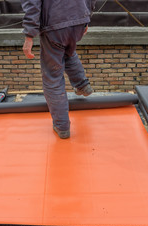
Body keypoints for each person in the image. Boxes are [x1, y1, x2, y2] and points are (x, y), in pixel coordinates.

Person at [21, 0, 97, 139]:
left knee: (52, 77)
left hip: (55, 24)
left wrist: (29, 35)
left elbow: (33, 4)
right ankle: (83, 85)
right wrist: (85, 19)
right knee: (67, 51)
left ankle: (62, 127)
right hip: (78, 20)